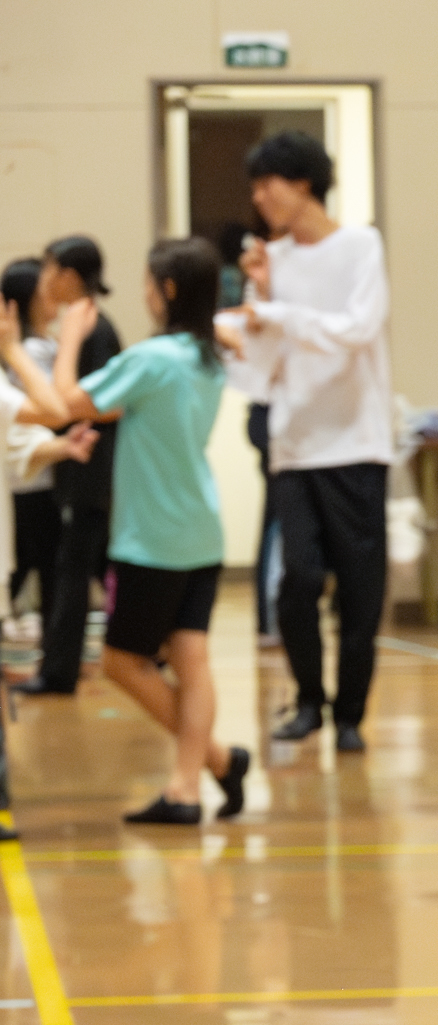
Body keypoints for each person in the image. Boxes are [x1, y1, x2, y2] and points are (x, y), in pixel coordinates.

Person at [2, 240, 252, 825]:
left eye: (148, 282)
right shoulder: (206, 355)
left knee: (120, 663)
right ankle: (195, 779)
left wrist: (66, 343)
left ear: (166, 290)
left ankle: (206, 767)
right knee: (191, 661)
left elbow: (65, 405)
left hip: (153, 538)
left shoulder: (154, 358)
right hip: (201, 531)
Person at [231, 130, 394, 752]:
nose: (258, 196)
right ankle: (307, 702)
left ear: (303, 182)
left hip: (356, 444)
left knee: (360, 592)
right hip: (294, 446)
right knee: (295, 582)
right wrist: (260, 303)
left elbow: (358, 330)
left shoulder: (360, 246)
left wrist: (279, 314)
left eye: (266, 182)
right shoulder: (271, 265)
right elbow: (258, 365)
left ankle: (350, 715)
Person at [15, 236, 120, 697]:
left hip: (88, 470)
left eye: (51, 269)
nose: (45, 281)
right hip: (78, 469)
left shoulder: (93, 329)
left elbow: (91, 402)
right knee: (85, 567)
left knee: (74, 571)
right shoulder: (83, 327)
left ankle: (59, 673)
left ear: (72, 277)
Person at [3, 258, 64, 637]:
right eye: (46, 286)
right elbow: (54, 409)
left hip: (41, 473)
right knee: (34, 562)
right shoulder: (25, 353)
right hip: (28, 476)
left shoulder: (41, 345)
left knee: (33, 563)